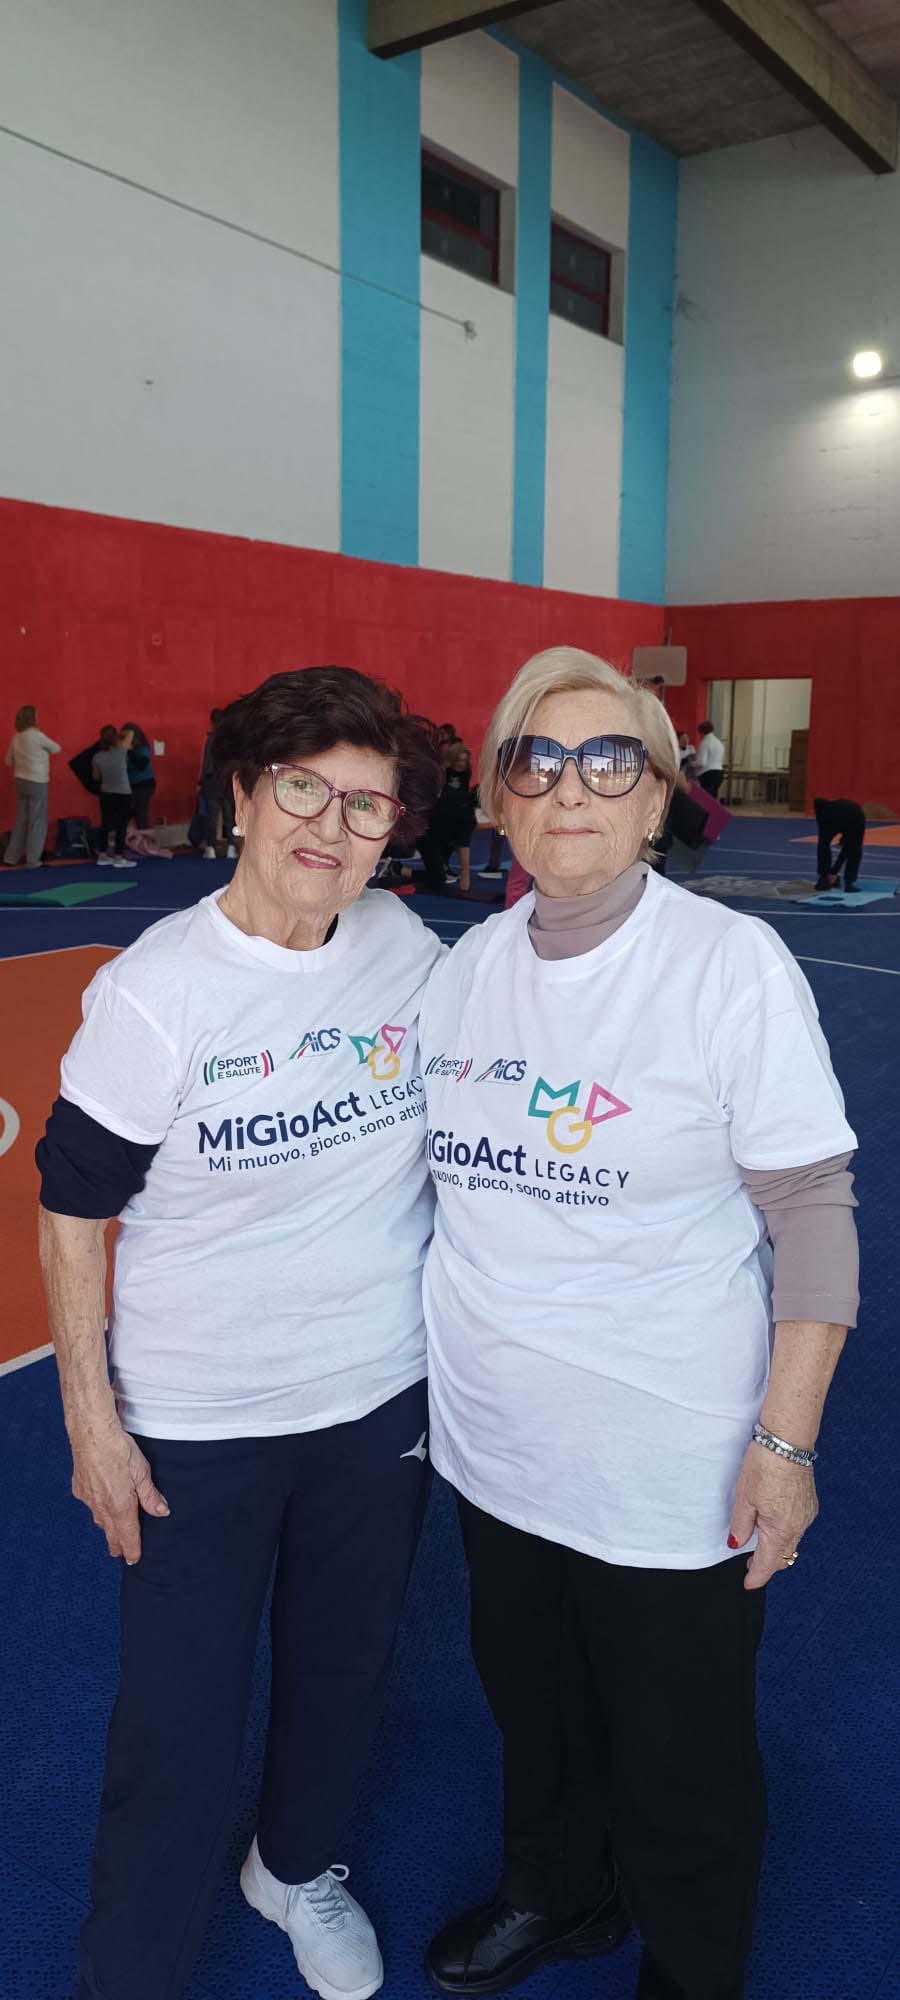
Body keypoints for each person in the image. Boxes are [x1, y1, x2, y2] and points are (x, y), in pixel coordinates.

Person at [419, 647, 858, 2000]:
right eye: (537, 760)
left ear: (659, 798)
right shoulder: (464, 968)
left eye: (610, 760)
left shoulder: (728, 966)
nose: (572, 788)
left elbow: (812, 1212)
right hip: (496, 1446)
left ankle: (691, 1956)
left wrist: (786, 1443)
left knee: (683, 1745)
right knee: (534, 1702)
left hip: (667, 1454)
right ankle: (559, 1889)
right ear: (499, 797)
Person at [37, 667, 443, 2000]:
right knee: (179, 1716)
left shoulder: (403, 946)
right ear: (243, 797)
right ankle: (131, 1968)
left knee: (343, 1666)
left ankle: (295, 1865)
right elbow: (72, 1214)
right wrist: (93, 1424)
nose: (331, 826)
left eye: (367, 805)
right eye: (303, 789)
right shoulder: (158, 994)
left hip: (378, 1398)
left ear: (391, 832)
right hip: (200, 1424)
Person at [3, 703, 61, 867]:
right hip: (37, 781)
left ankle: (10, 858)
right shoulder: (38, 736)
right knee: (37, 822)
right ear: (33, 719)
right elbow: (57, 748)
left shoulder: (16, 738)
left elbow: (8, 761)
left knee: (20, 820)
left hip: (20, 781)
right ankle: (33, 860)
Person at [419, 740, 478, 895]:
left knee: (461, 842)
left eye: (465, 761)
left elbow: (462, 791)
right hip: (441, 815)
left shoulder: (466, 773)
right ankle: (440, 867)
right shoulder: (443, 771)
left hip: (460, 814)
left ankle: (462, 875)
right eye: (459, 761)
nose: (462, 764)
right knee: (440, 851)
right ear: (452, 760)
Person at [91, 726, 136, 868]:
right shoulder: (121, 750)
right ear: (115, 738)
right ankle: (119, 857)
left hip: (106, 793)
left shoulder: (97, 757)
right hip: (123, 793)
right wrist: (117, 735)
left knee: (105, 824)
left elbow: (96, 776)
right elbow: (131, 732)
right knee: (121, 825)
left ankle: (103, 856)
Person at [198, 706, 238, 858]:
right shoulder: (230, 740)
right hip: (227, 780)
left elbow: (207, 763)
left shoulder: (211, 739)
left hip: (212, 781)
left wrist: (201, 782)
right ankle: (231, 847)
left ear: (212, 722)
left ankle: (211, 848)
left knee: (212, 816)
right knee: (229, 815)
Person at [814, 796, 866, 894]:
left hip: (854, 817)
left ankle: (825, 879)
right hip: (851, 814)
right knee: (854, 850)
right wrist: (833, 871)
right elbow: (846, 849)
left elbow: (846, 848)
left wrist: (833, 871)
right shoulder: (826, 813)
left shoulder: (823, 815)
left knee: (825, 846)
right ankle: (848, 883)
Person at [121, 723, 156, 828]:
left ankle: (145, 836)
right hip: (131, 786)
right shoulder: (124, 751)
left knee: (141, 817)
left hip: (144, 785)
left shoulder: (143, 749)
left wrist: (129, 751)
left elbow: (141, 765)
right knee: (129, 814)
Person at [694, 718, 725, 797]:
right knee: (713, 798)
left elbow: (701, 762)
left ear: (702, 732)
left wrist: (692, 764)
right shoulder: (718, 742)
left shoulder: (705, 742)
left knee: (706, 799)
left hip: (708, 775)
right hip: (719, 773)